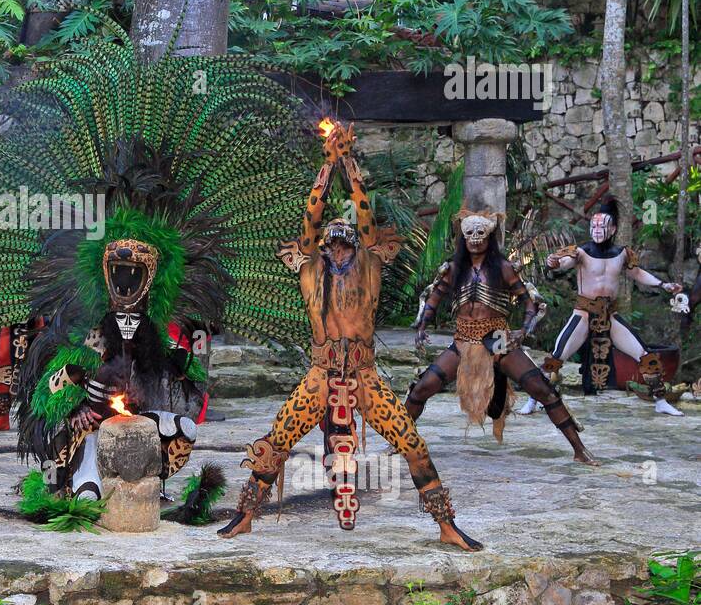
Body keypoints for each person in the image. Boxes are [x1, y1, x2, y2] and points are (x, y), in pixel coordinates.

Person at [218, 121, 481, 551]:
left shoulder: (369, 268)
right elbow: (309, 220)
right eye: (331, 239)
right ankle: (245, 515)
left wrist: (349, 166)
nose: (338, 241)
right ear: (322, 246)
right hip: (321, 374)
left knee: (412, 443)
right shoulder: (310, 271)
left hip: (365, 375)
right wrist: (326, 169)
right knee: (277, 440)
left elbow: (367, 222)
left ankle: (446, 525)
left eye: (346, 239)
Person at [405, 210, 597, 463]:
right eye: (469, 234)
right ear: (462, 237)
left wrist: (523, 330)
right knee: (421, 389)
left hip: (497, 337)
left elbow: (531, 305)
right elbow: (434, 297)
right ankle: (400, 442)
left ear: (489, 236)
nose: (474, 239)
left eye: (480, 234)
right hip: (464, 339)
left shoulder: (504, 268)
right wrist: (423, 324)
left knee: (543, 389)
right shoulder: (453, 269)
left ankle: (579, 450)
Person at [517, 199, 685, 416]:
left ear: (613, 229)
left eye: (601, 226)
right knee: (556, 357)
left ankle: (661, 401)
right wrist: (554, 263)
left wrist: (663, 284)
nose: (596, 230)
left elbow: (638, 273)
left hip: (610, 315)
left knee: (645, 356)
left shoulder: (622, 253)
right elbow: (565, 262)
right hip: (584, 314)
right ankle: (532, 400)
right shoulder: (581, 252)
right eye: (593, 226)